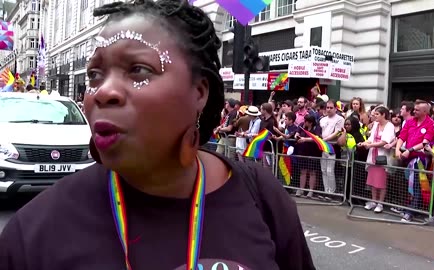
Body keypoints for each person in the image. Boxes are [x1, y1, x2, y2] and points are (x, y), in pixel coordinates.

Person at [0, 1, 315, 269]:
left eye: (138, 69)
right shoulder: (33, 232)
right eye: (95, 75)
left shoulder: (261, 197)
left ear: (200, 92)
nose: (103, 91)